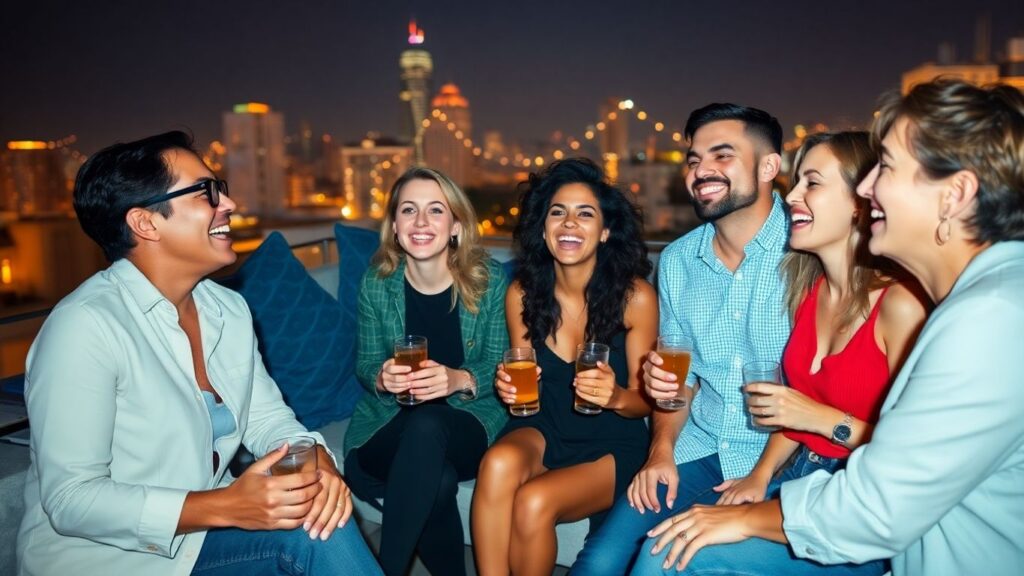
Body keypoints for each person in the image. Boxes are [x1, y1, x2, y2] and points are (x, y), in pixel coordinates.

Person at [634, 79, 1024, 576]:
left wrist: (752, 516)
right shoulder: (977, 302)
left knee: (668, 556)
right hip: (840, 504)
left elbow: (875, 506)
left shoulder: (992, 319)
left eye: (885, 168)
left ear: (955, 195)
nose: (866, 187)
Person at [15, 131, 381, 576]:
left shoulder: (226, 308)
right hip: (113, 559)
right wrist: (225, 506)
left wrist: (316, 460)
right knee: (312, 534)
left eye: (220, 188)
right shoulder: (85, 327)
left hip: (200, 539)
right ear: (145, 223)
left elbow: (267, 420)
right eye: (207, 192)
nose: (227, 204)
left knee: (321, 517)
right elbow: (71, 500)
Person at [631, 132, 927, 575]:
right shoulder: (810, 294)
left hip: (857, 496)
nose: (792, 197)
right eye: (797, 183)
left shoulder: (899, 305)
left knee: (668, 557)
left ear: (860, 201)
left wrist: (817, 419)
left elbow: (915, 457)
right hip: (798, 475)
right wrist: (760, 475)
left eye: (812, 183)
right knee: (667, 543)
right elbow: (794, 413)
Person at [571, 103, 791, 574]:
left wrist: (761, 476)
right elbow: (680, 381)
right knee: (599, 562)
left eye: (723, 155)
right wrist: (661, 451)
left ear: (769, 166)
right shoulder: (677, 260)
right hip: (700, 449)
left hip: (784, 462)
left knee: (661, 563)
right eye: (693, 159)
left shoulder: (807, 250)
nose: (702, 170)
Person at [472, 158, 657, 575]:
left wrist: (615, 396)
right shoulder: (522, 292)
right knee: (497, 463)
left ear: (605, 231)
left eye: (585, 213)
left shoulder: (636, 298)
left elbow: (647, 402)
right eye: (558, 212)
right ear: (543, 228)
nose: (569, 223)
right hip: (542, 425)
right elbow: (525, 384)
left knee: (534, 501)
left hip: (612, 440)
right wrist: (508, 386)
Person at [342, 167, 508, 576]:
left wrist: (459, 379)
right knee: (438, 481)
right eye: (408, 210)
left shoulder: (489, 280)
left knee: (430, 422)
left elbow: (503, 362)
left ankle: (383, 571)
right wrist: (382, 378)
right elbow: (364, 364)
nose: (420, 222)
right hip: (390, 425)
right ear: (395, 227)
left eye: (435, 210)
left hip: (468, 425)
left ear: (455, 225)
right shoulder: (377, 283)